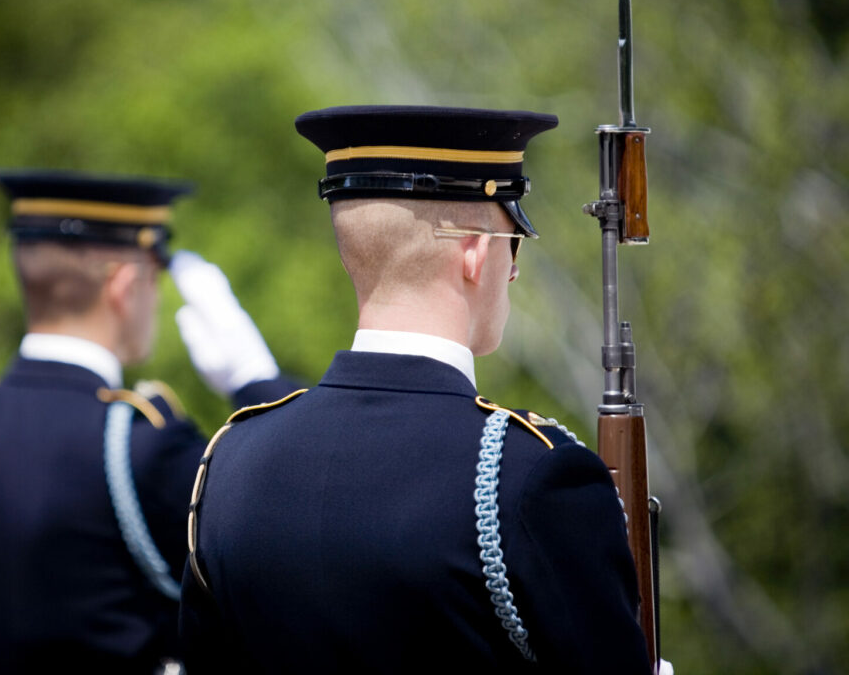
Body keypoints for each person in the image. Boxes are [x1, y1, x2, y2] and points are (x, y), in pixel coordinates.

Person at [180, 106, 653, 674]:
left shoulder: (230, 463)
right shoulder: (533, 476)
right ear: (476, 252)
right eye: (514, 243)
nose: (514, 270)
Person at [0, 169, 296, 674]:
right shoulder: (140, 450)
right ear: (124, 284)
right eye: (153, 278)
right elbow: (291, 553)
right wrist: (259, 385)